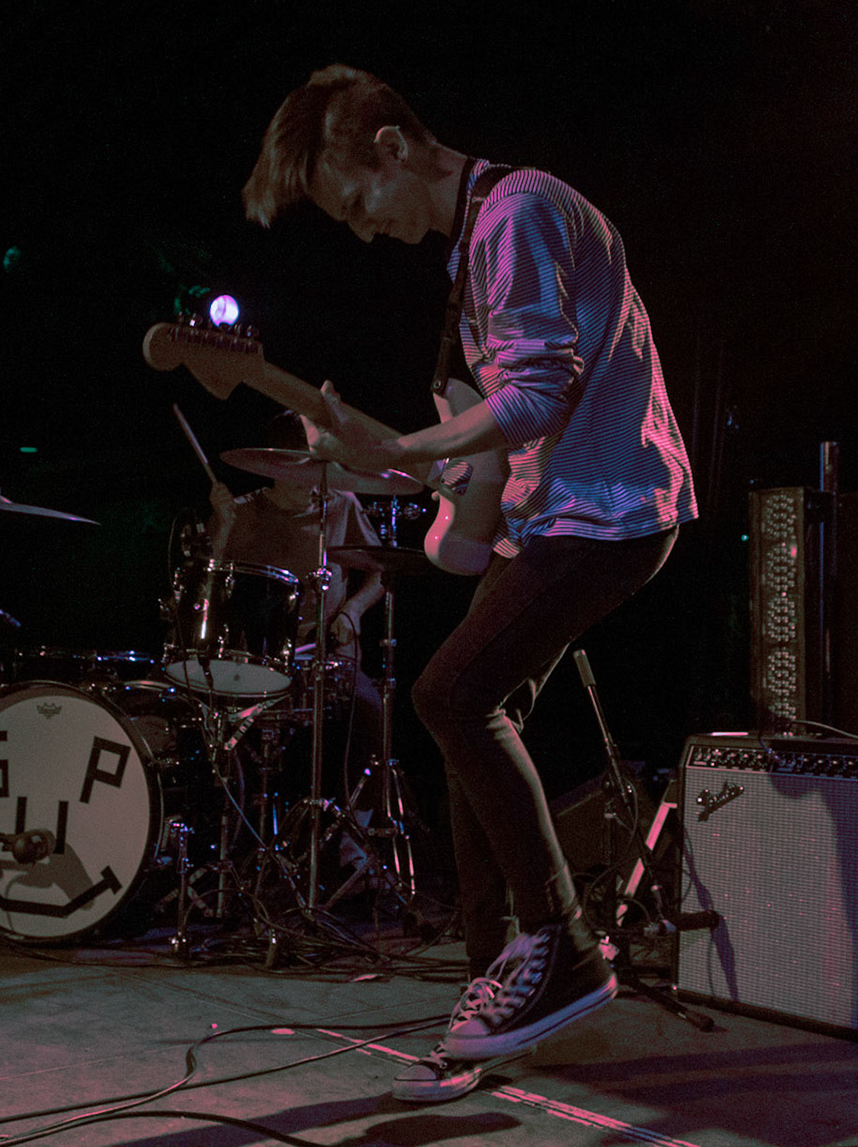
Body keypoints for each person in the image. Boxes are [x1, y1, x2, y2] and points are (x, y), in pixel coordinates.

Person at [241, 65, 698, 1102]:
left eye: (359, 200)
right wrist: (387, 455)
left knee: (450, 695)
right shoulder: (477, 248)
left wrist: (402, 445)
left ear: (393, 146)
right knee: (467, 724)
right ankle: (501, 989)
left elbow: (539, 394)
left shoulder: (515, 212)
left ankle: (562, 948)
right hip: (557, 516)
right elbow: (488, 446)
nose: (366, 230)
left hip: (610, 513)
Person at [204, 414, 387, 804]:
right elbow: (206, 588)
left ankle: (354, 826)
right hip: (259, 655)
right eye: (299, 471)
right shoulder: (241, 513)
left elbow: (381, 571)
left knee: (371, 716)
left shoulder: (340, 505)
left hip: (327, 652)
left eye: (316, 469)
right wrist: (221, 531)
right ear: (272, 468)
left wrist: (353, 610)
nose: (310, 481)